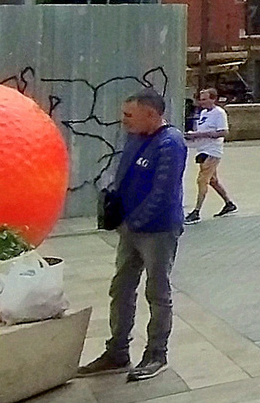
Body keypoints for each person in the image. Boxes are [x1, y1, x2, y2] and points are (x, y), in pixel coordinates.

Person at [77, 91, 186, 382]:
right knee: (121, 288)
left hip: (158, 232)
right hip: (130, 229)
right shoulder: (135, 137)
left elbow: (163, 193)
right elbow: (124, 176)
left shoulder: (170, 143)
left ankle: (156, 354)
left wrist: (135, 221)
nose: (123, 120)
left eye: (129, 115)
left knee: (157, 293)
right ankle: (117, 351)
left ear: (151, 114)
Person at [184, 88, 235, 223]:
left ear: (213, 99)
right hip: (202, 149)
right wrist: (192, 137)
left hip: (212, 151)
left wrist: (199, 135)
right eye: (201, 99)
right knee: (212, 180)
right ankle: (229, 203)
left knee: (202, 180)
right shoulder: (204, 113)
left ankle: (196, 211)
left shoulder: (219, 113)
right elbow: (202, 130)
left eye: (205, 99)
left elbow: (223, 132)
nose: (202, 102)